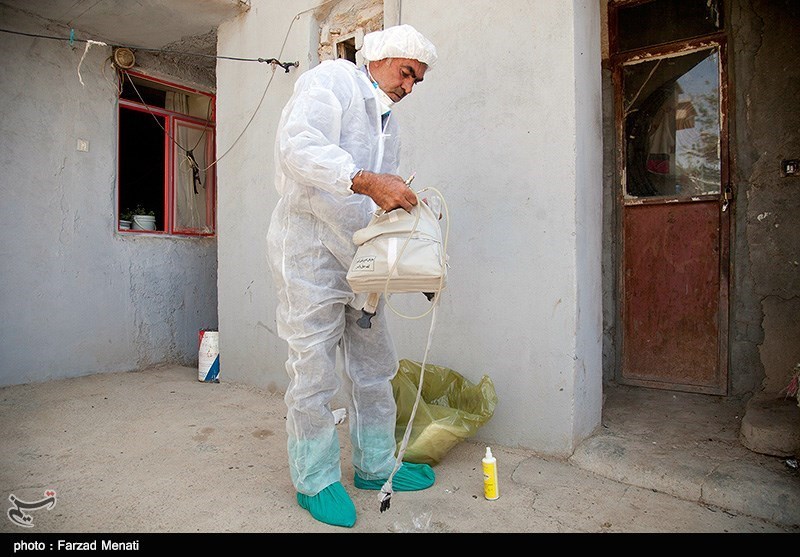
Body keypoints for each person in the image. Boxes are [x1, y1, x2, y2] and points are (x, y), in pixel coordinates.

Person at [266, 25, 439, 528]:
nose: (410, 86)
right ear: (381, 59)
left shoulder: (389, 127)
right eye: (407, 72)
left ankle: (376, 465)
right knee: (312, 369)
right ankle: (315, 479)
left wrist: (407, 253)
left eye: (418, 79)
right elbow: (297, 147)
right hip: (311, 256)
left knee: (374, 366)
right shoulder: (333, 81)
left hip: (360, 262)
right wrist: (366, 180)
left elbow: (377, 204)